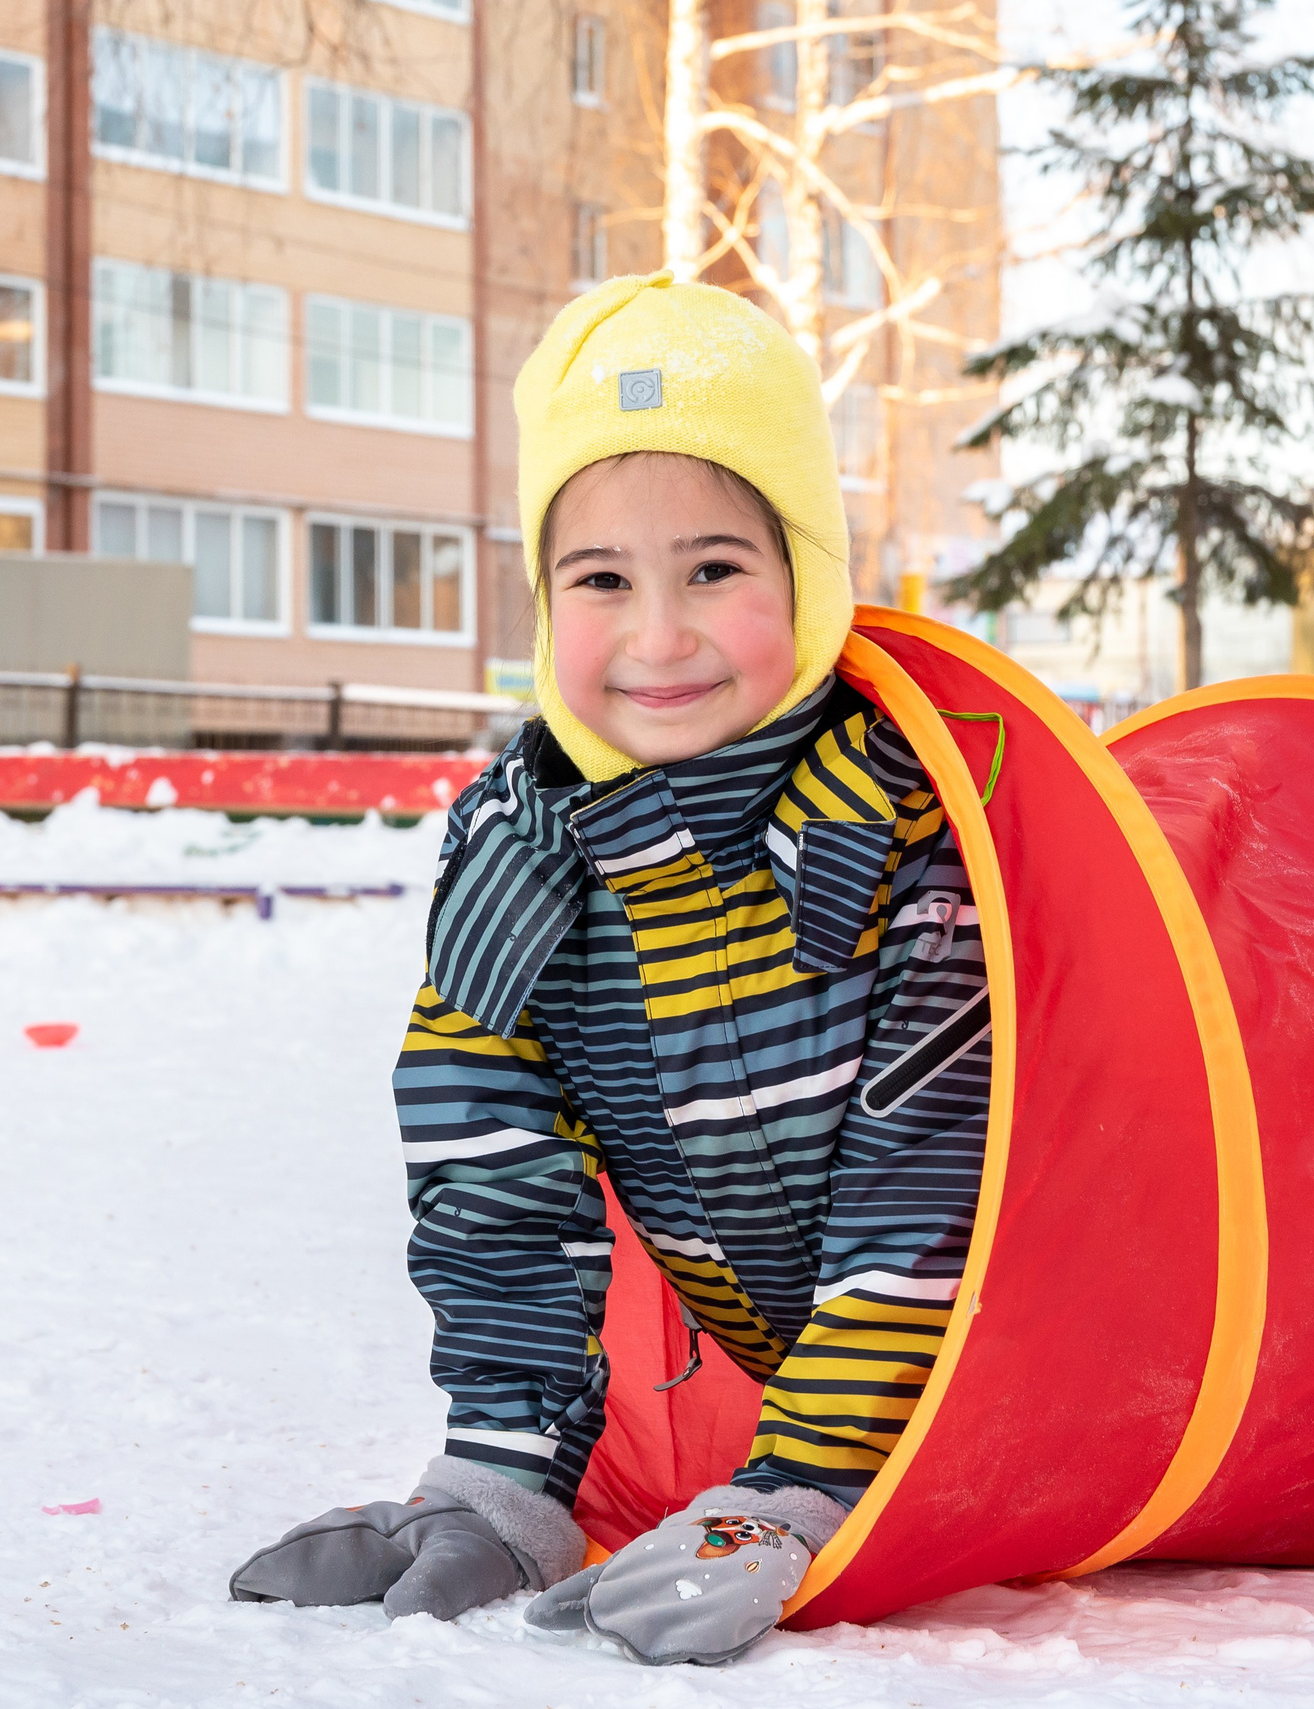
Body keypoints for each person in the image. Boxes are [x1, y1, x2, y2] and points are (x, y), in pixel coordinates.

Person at [228, 272, 991, 1666]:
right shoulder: (522, 864)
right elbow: (494, 1179)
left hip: (1005, 1352)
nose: (656, 634)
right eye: (600, 579)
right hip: (765, 1342)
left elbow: (926, 1200)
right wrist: (504, 1478)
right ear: (542, 596)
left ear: (807, 576)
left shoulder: (898, 836)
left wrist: (796, 1490)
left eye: (714, 567)